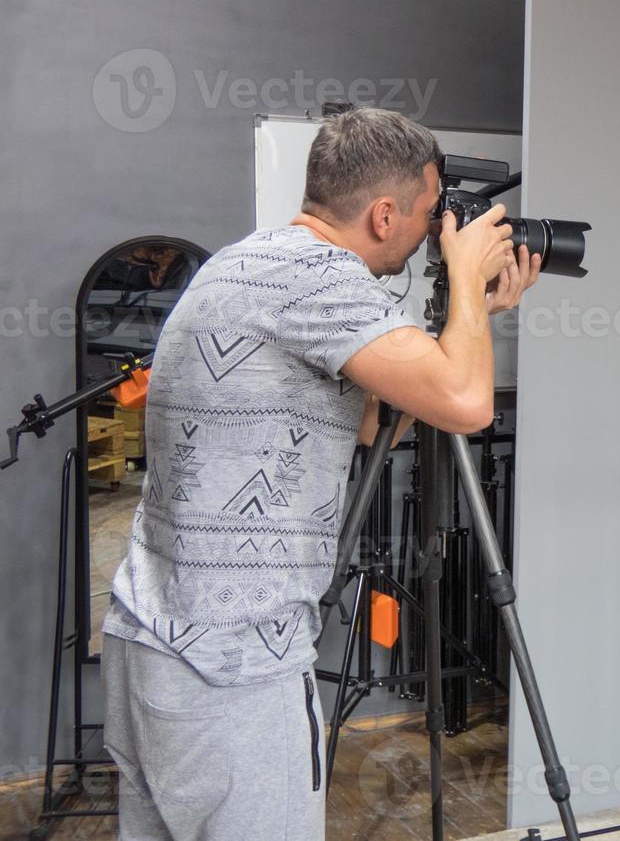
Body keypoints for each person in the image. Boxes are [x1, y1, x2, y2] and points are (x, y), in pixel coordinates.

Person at [101, 107, 540, 840]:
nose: (437, 233)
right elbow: (466, 406)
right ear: (383, 214)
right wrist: (465, 283)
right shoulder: (319, 279)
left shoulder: (246, 261)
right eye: (432, 215)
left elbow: (377, 420)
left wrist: (467, 318)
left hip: (148, 641)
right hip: (232, 668)